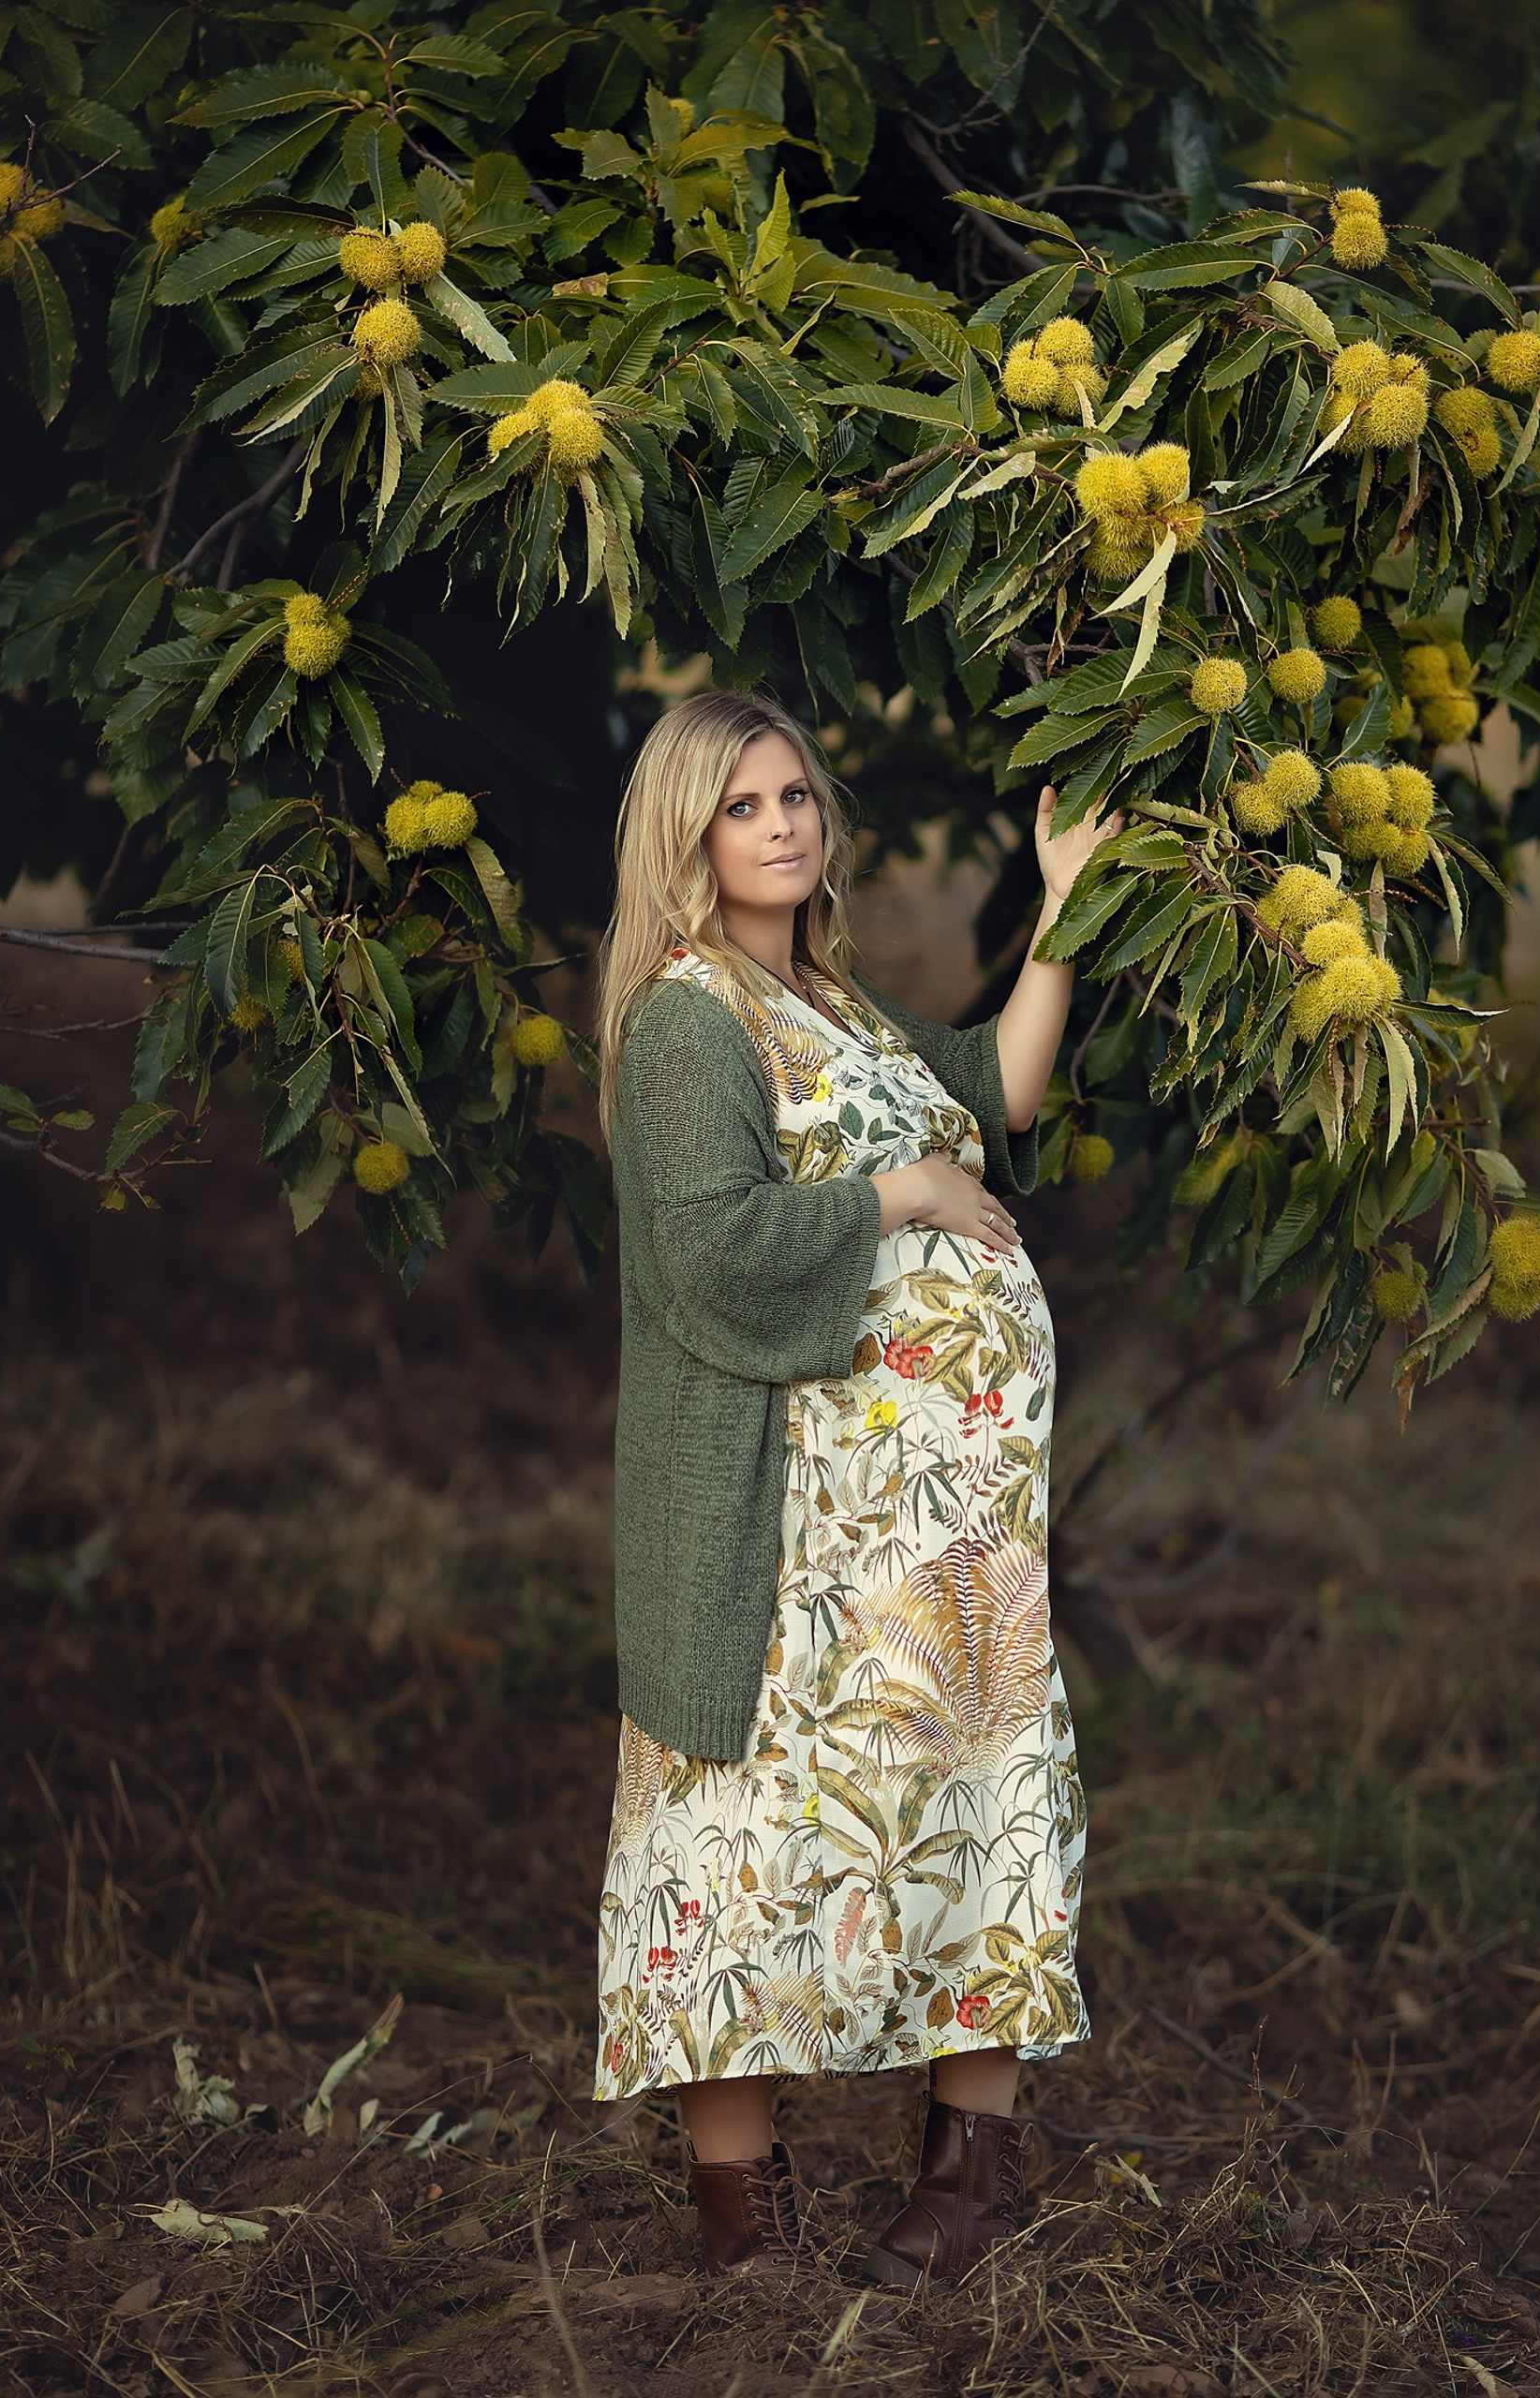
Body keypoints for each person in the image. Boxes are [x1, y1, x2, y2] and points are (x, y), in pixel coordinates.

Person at [589, 687, 1119, 2284]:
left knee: (968, 1814)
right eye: (743, 806)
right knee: (739, 1843)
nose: (782, 824)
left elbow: (998, 1098)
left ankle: (970, 2175)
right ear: (687, 835)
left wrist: (1067, 906)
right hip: (797, 1534)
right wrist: (905, 1189)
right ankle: (741, 2216)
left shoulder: (826, 999)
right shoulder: (688, 1017)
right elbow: (709, 1249)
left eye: (796, 797)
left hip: (934, 1539)